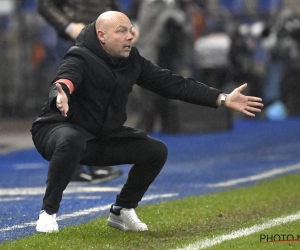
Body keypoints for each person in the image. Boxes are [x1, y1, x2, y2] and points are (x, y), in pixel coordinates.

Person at [31, 11, 263, 233]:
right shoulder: (79, 55)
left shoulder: (132, 60)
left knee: (155, 151)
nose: (130, 36)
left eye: (131, 30)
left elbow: (170, 83)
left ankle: (122, 209)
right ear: (102, 36)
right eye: (122, 31)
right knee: (71, 140)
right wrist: (61, 93)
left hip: (99, 137)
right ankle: (48, 213)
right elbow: (65, 79)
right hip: (56, 130)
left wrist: (222, 98)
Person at [37, 0, 123, 183]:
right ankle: (71, 166)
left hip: (100, 39)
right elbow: (45, 5)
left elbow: (111, 5)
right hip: (72, 39)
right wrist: (68, 26)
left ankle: (95, 164)